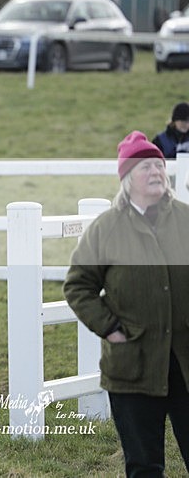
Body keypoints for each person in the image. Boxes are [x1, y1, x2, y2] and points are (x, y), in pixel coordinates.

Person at [63, 130, 189, 477]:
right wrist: (110, 328)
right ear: (126, 178)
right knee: (144, 466)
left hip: (185, 363)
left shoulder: (185, 219)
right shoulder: (106, 229)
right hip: (132, 368)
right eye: (145, 166)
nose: (155, 172)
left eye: (158, 165)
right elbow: (78, 286)